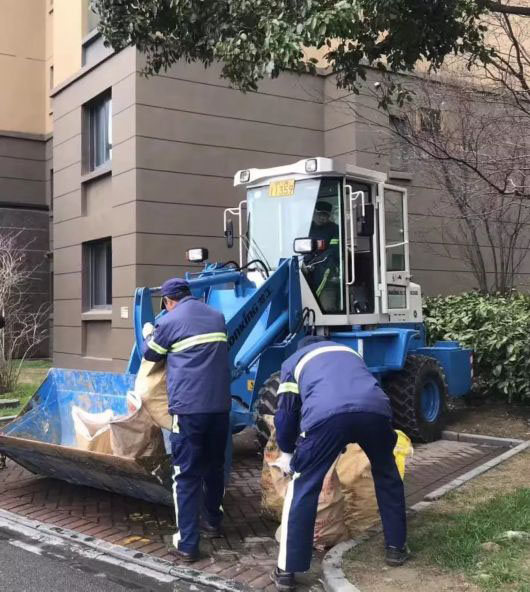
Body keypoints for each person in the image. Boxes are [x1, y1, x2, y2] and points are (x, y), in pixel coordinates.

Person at [271, 335, 408, 591]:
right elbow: (365, 391)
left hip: (326, 417)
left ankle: (287, 570)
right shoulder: (350, 354)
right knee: (387, 475)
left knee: (304, 486)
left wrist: (288, 451)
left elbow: (286, 414)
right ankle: (396, 547)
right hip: (375, 412)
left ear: (303, 347)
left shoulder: (294, 361)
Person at [142, 278, 231, 563]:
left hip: (189, 411)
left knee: (186, 475)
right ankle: (213, 522)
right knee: (214, 466)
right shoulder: (217, 316)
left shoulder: (169, 321)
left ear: (168, 301)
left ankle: (188, 544)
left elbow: (150, 354)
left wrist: (148, 333)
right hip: (220, 408)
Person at [305, 201, 340, 312]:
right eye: (320, 214)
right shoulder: (305, 228)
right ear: (314, 213)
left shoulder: (334, 229)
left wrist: (316, 260)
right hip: (305, 274)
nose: (322, 218)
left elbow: (334, 250)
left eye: (326, 215)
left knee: (327, 307)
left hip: (327, 274)